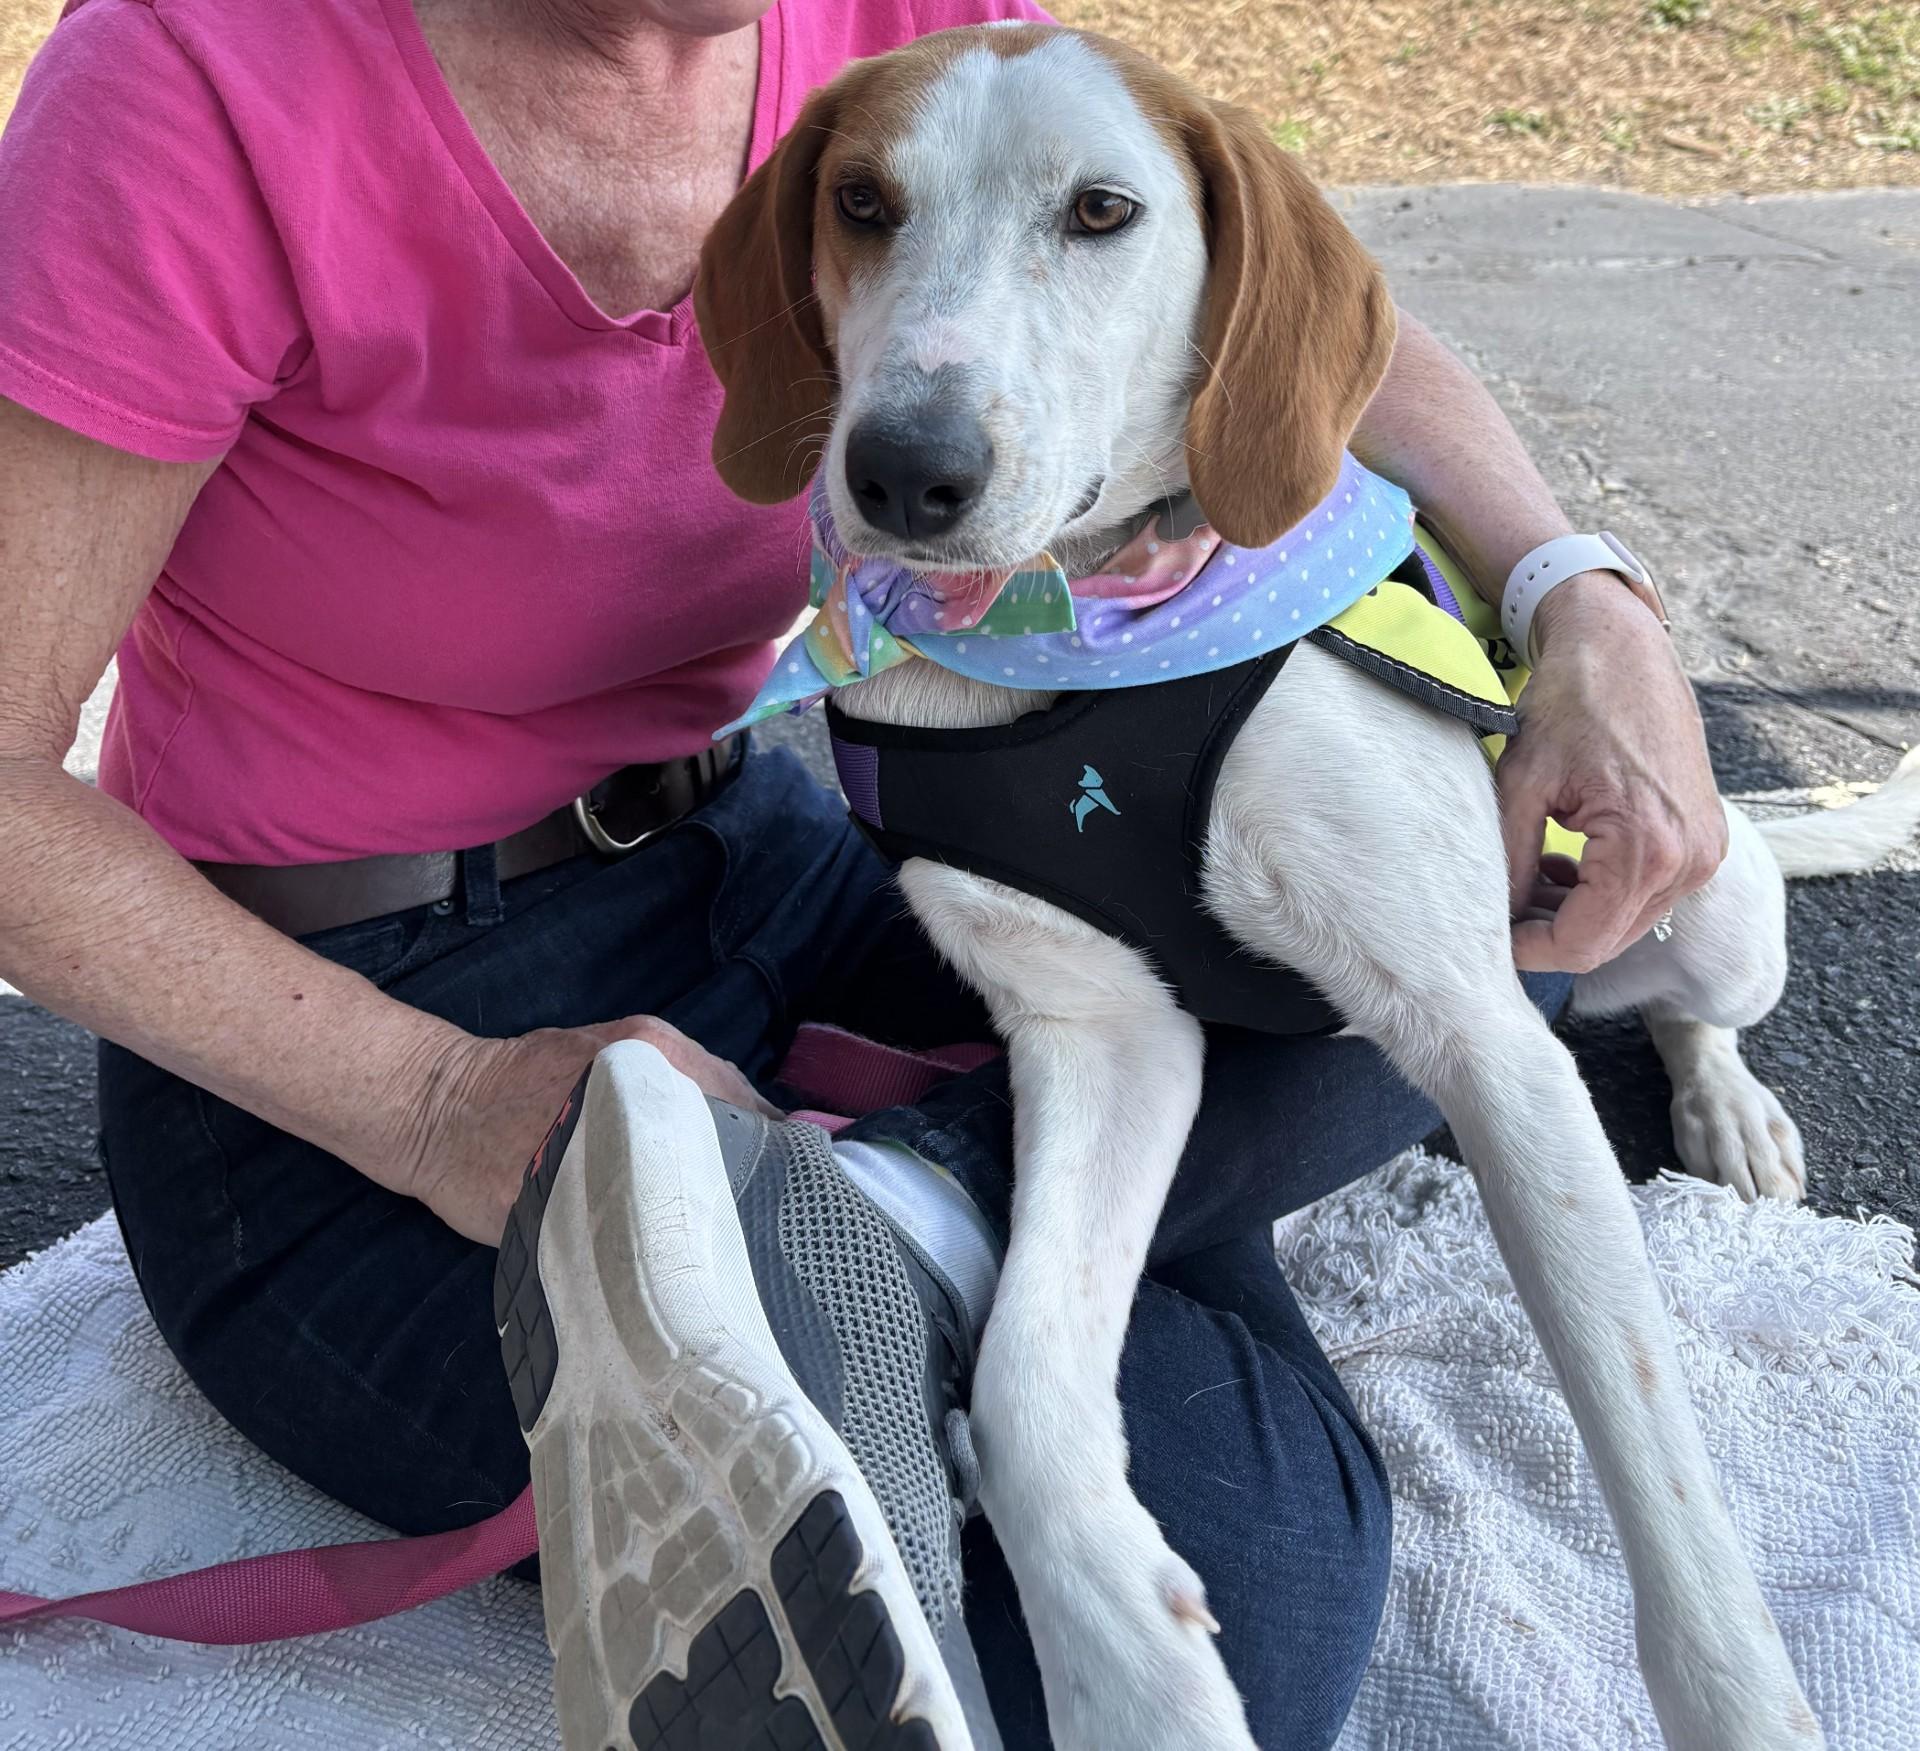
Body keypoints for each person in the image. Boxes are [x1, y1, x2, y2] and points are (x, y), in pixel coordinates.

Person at [0, 0, 1727, 1744]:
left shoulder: (907, 35)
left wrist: (1576, 590)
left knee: (1518, 918)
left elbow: (1282, 305)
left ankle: (906, 1210)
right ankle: (908, 1224)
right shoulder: (198, 73)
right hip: (363, 1022)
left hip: (766, 862)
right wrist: (436, 1101)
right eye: (873, 217)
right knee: (1141, 1640)